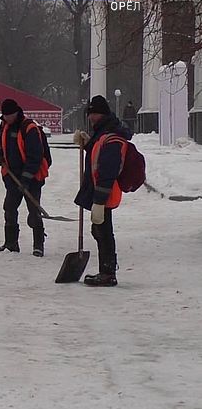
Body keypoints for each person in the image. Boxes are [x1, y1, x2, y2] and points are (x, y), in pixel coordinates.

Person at [72, 95, 133, 287]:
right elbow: (98, 153)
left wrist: (99, 200)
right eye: (90, 114)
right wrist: (87, 143)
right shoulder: (103, 131)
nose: (91, 118)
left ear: (103, 114)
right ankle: (106, 270)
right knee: (100, 229)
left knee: (104, 231)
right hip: (100, 190)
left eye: (94, 114)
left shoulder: (112, 136)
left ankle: (107, 272)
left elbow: (107, 169)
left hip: (105, 191)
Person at [0, 99, 49, 257]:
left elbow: (35, 157)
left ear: (17, 112)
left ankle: (38, 245)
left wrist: (25, 180)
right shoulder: (4, 125)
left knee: (33, 211)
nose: (7, 118)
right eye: (5, 116)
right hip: (11, 175)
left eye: (10, 115)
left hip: (32, 177)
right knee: (9, 209)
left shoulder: (29, 128)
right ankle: (11, 243)